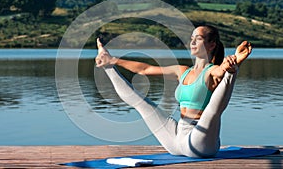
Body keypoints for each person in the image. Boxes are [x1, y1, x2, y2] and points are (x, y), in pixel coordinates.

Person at [95, 25, 252, 158]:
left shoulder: (212, 71)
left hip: (202, 142)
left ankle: (234, 71)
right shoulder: (182, 71)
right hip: (177, 142)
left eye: (198, 38)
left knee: (213, 110)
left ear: (211, 45)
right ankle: (107, 64)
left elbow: (220, 71)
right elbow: (145, 69)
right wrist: (113, 60)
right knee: (141, 103)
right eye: (192, 38)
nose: (192, 42)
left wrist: (233, 63)